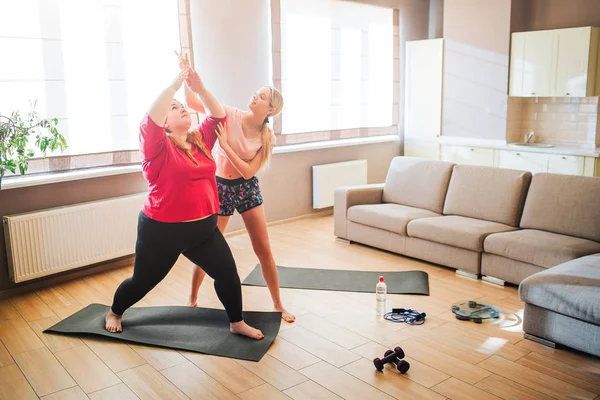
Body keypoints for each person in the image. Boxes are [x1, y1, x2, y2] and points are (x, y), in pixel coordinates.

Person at [104, 66, 264, 340]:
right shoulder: (156, 147)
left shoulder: (199, 139)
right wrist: (175, 84)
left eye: (182, 107)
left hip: (203, 230)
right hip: (161, 233)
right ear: (164, 123)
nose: (181, 109)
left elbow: (218, 115)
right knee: (142, 282)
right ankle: (115, 311)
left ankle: (236, 321)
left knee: (227, 273)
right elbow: (150, 120)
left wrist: (199, 87)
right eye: (174, 108)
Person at [177, 53, 295, 323]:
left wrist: (226, 147)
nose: (255, 96)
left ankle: (278, 305)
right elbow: (193, 100)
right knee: (208, 248)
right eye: (256, 93)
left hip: (247, 188)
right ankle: (192, 298)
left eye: (262, 96)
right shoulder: (229, 114)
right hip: (220, 188)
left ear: (271, 109)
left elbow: (249, 171)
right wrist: (186, 75)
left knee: (263, 248)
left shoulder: (267, 136)